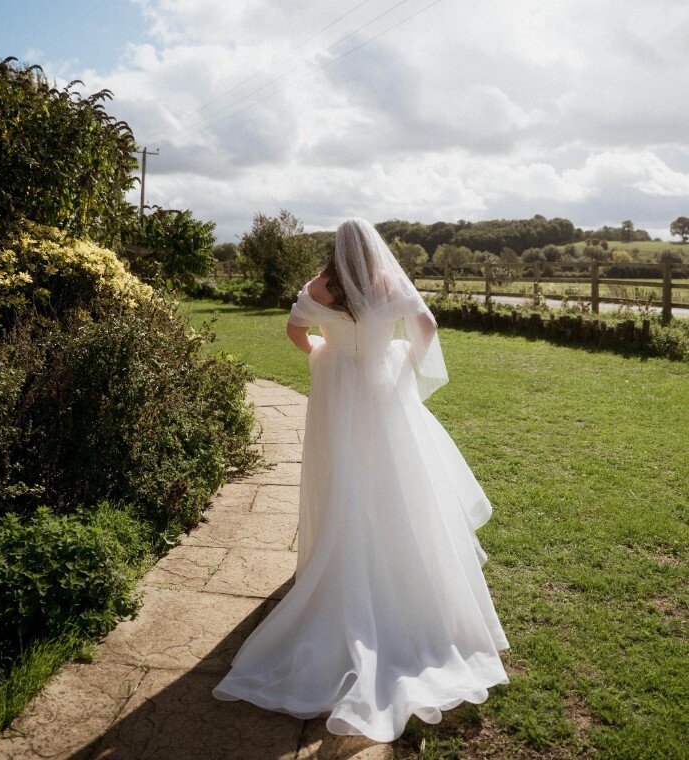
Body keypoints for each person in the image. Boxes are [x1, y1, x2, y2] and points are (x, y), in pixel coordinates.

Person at [213, 218, 509, 742]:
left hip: (338, 397)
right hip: (382, 390)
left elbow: (293, 330)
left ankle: (339, 552)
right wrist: (402, 362)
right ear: (373, 250)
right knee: (396, 476)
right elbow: (429, 326)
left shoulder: (319, 287)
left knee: (341, 473)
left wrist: (324, 357)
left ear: (335, 249)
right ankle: (399, 559)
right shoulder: (389, 284)